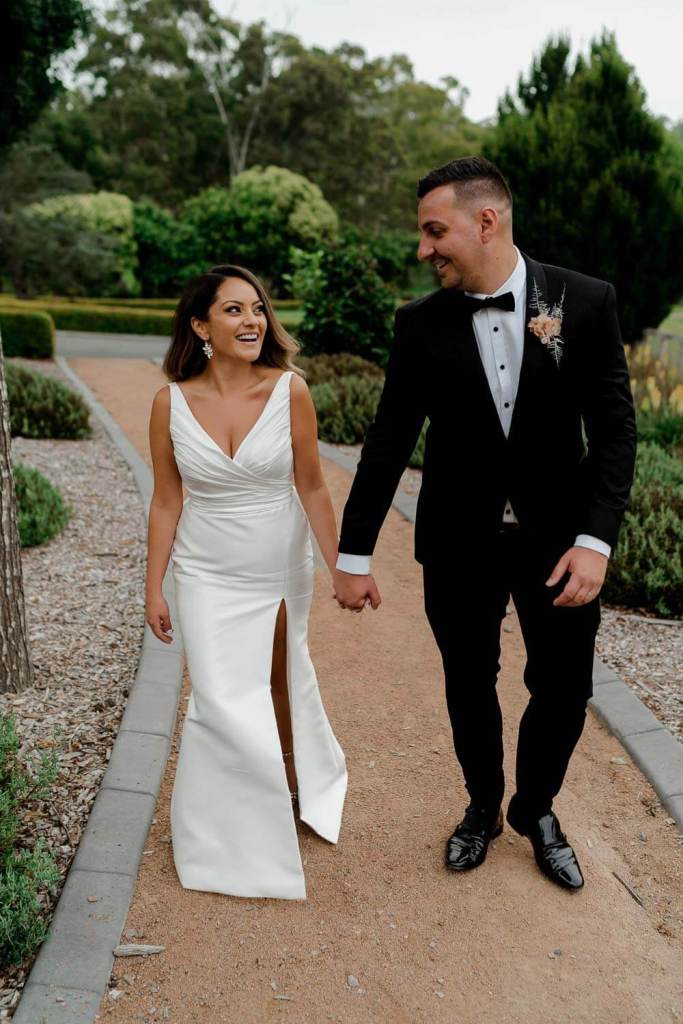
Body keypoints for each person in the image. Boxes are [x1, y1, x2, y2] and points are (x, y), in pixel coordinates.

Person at [332, 156, 636, 891]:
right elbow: (386, 443)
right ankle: (479, 807)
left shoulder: (584, 302)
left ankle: (535, 810)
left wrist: (593, 541)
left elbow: (615, 431)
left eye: (434, 231)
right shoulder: (418, 325)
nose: (423, 248)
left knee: (562, 688)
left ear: (485, 221)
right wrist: (352, 551)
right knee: (468, 682)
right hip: (456, 539)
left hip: (560, 544)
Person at [145, 264, 347, 900]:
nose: (252, 320)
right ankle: (219, 829)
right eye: (233, 310)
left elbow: (311, 484)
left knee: (280, 678)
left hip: (277, 566)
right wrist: (154, 586)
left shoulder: (291, 391)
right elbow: (166, 500)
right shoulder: (169, 403)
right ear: (201, 325)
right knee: (217, 693)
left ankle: (292, 782)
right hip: (204, 571)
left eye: (256, 308)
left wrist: (343, 566)